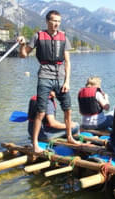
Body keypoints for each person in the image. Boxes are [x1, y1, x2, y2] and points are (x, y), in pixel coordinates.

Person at [17, 10, 78, 153]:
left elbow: (67, 62)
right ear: (47, 21)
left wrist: (67, 81)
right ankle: (35, 143)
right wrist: (22, 44)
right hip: (44, 77)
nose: (56, 24)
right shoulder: (38, 36)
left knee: (68, 109)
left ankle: (69, 136)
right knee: (41, 112)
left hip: (61, 78)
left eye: (58, 21)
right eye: (54, 21)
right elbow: (23, 55)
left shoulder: (63, 37)